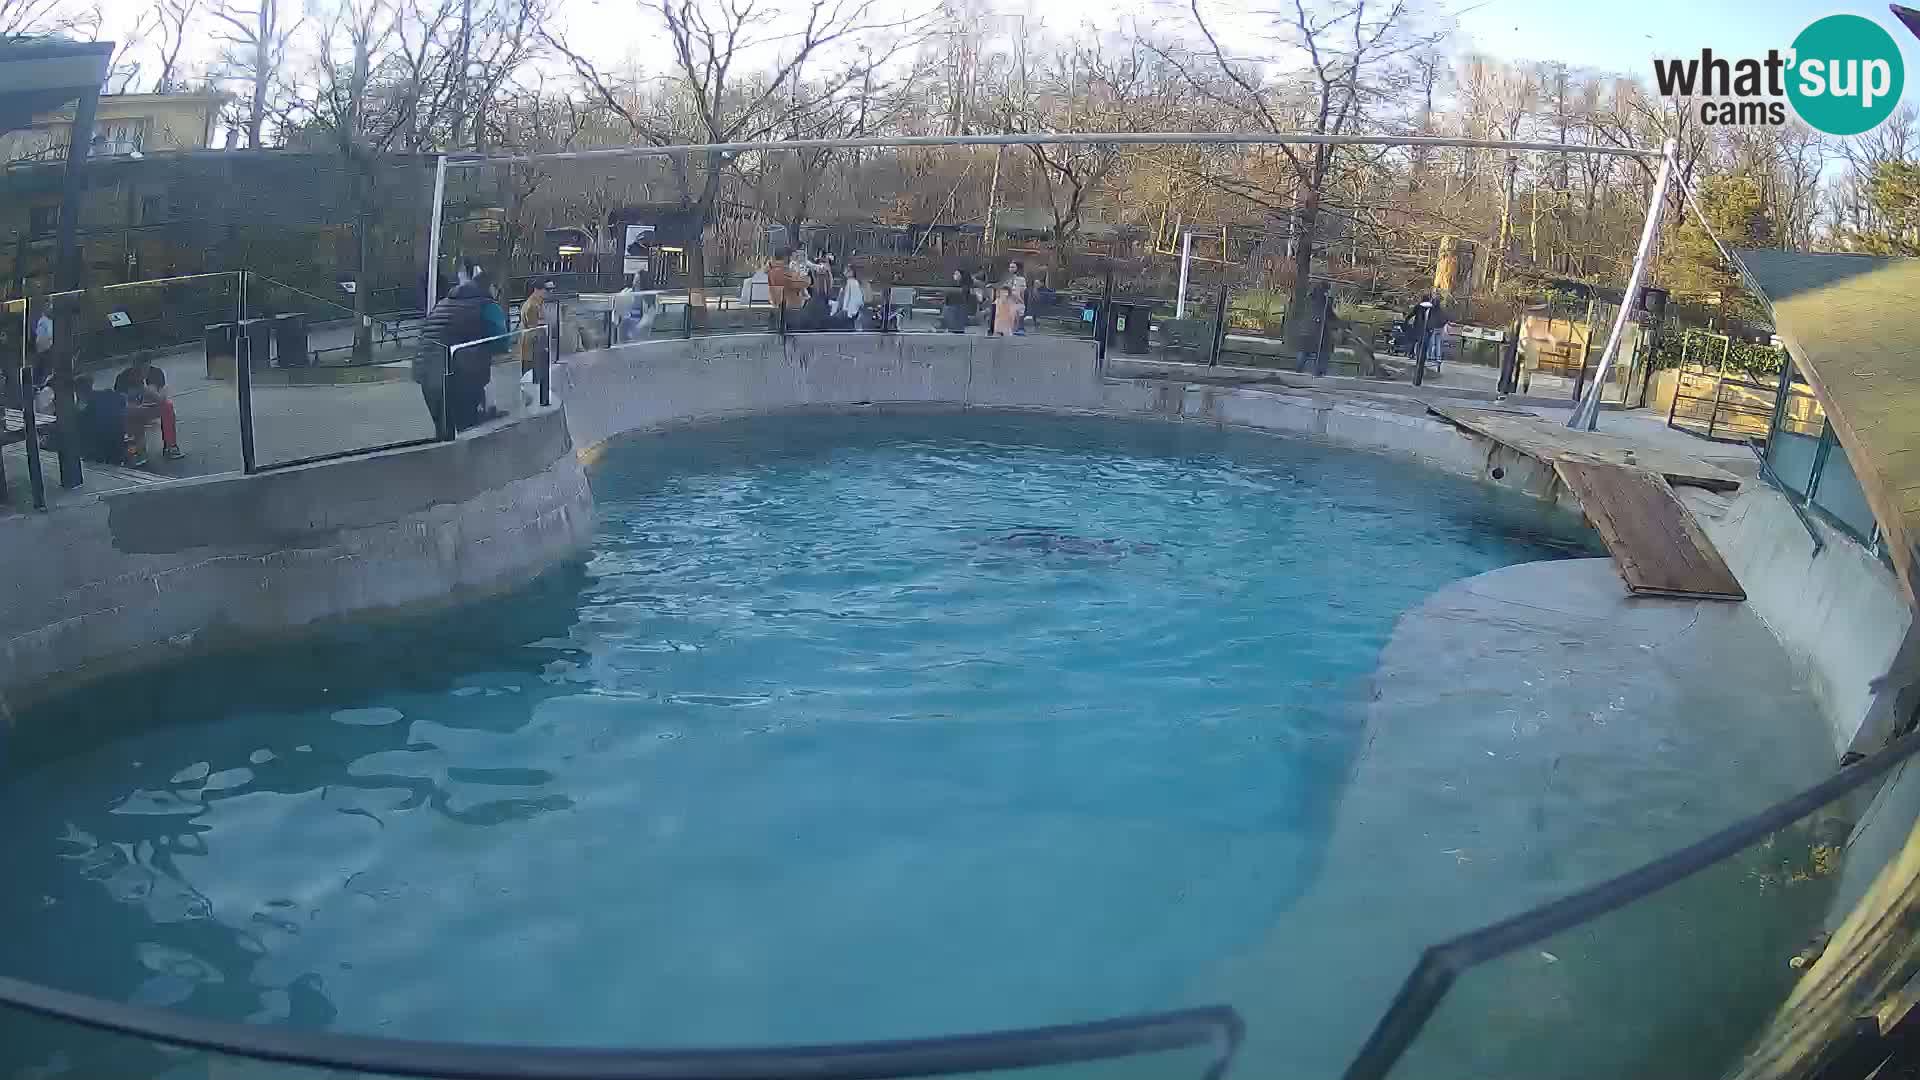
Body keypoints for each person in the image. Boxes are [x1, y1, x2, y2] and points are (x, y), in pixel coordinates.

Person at [413, 266, 507, 433]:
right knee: (470, 431)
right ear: (491, 287)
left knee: (444, 432)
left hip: (427, 375)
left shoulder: (443, 303)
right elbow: (501, 343)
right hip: (461, 376)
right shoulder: (487, 306)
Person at [73, 373, 129, 465]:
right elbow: (122, 399)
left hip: (99, 450)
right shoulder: (107, 395)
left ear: (78, 391)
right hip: (117, 443)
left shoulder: (85, 411)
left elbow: (80, 426)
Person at [519, 280, 549, 373]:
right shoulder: (532, 305)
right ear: (536, 290)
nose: (546, 292)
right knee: (531, 374)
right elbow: (533, 327)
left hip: (531, 346)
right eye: (545, 290)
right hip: (531, 347)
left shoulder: (537, 303)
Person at [838, 264, 869, 329]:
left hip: (851, 311)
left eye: (846, 271)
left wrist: (846, 308)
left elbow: (849, 296)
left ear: (852, 272)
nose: (844, 272)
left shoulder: (851, 282)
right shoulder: (853, 282)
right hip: (852, 311)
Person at [1001, 260, 1028, 334]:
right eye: (1010, 267)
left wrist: (1021, 300)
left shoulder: (1021, 279)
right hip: (1008, 300)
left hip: (1017, 300)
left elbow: (1022, 291)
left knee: (1019, 312)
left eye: (1013, 267)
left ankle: (1020, 328)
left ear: (1017, 268)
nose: (1011, 269)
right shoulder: (1006, 278)